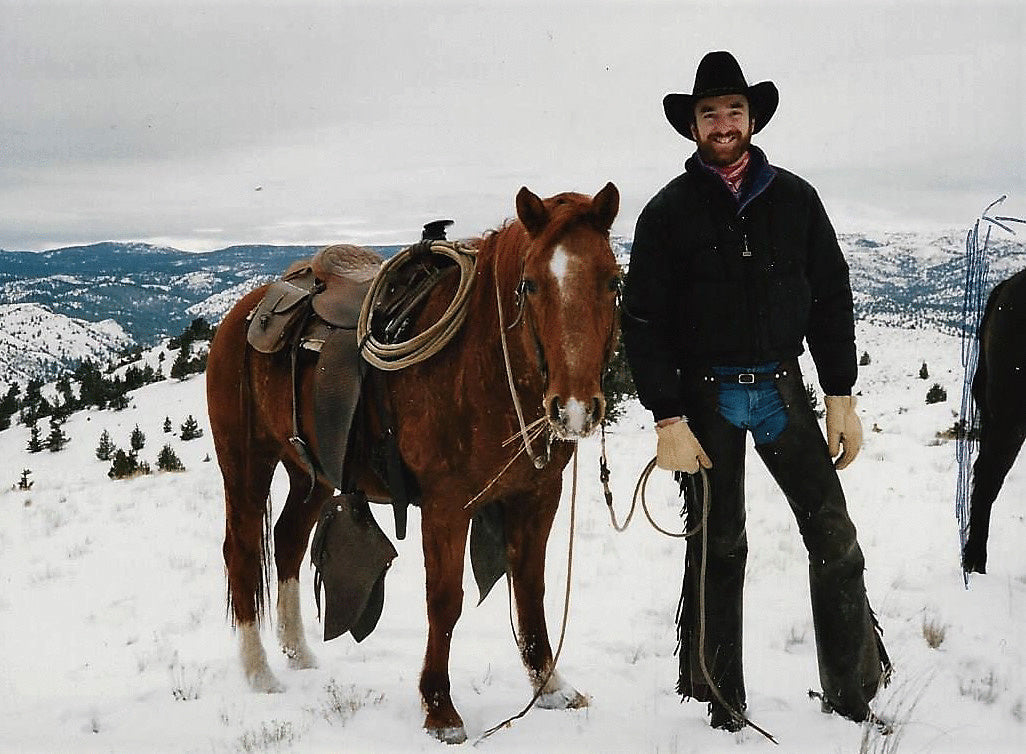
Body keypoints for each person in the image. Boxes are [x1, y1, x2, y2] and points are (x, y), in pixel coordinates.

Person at [621, 50, 891, 732]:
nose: (722, 123)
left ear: (751, 117)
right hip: (705, 396)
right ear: (692, 125)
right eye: (709, 112)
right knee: (719, 546)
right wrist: (666, 417)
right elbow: (643, 320)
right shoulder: (666, 213)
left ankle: (851, 694)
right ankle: (722, 701)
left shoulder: (796, 199)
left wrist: (840, 397)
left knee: (833, 533)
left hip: (780, 389)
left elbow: (831, 296)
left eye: (733, 110)